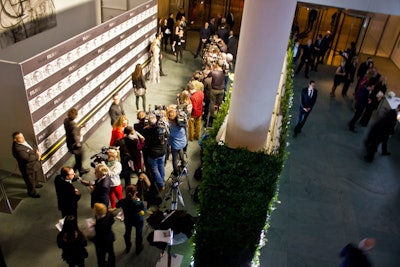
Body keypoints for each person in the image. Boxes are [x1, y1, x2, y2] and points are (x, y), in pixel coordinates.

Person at [11, 131, 42, 198]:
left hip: (34, 164)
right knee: (30, 180)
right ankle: (32, 192)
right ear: (15, 140)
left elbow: (33, 145)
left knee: (35, 175)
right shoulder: (17, 149)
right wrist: (37, 155)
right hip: (28, 168)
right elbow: (28, 158)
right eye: (20, 138)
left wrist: (36, 151)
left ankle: (36, 184)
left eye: (23, 136)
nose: (23, 138)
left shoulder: (26, 140)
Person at [116, 184, 145, 254]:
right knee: (138, 234)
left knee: (127, 233)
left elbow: (117, 206)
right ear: (136, 193)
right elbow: (143, 211)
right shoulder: (137, 202)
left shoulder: (122, 201)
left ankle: (128, 247)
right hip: (137, 220)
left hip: (128, 219)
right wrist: (139, 201)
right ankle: (138, 248)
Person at [143, 114, 168, 190]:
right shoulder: (162, 128)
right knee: (161, 166)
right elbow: (167, 135)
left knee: (155, 169)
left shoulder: (146, 130)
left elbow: (145, 141)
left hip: (152, 153)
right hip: (162, 152)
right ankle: (162, 181)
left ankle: (160, 184)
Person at [64, 108, 90, 176]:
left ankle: (80, 170)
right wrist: (80, 134)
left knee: (78, 158)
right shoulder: (74, 126)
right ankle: (74, 173)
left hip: (69, 143)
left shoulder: (66, 120)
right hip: (75, 146)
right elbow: (77, 141)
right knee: (80, 158)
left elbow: (71, 131)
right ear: (76, 115)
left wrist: (78, 129)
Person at [167, 105, 187, 177]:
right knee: (180, 149)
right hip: (183, 142)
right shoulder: (181, 125)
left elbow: (168, 134)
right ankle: (183, 162)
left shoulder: (170, 125)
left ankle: (176, 172)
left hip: (175, 145)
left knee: (174, 159)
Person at [92, 203, 115, 267]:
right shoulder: (110, 214)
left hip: (101, 243)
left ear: (97, 212)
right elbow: (112, 221)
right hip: (110, 238)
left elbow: (98, 235)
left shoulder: (100, 226)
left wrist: (90, 237)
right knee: (111, 253)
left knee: (101, 258)